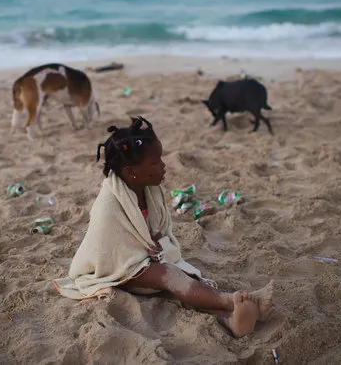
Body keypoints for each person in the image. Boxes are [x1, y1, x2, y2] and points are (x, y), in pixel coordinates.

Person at [53, 116, 274, 337]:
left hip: (144, 261)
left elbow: (153, 230)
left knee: (184, 285)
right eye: (156, 162)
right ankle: (233, 300)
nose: (164, 166)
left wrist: (155, 240)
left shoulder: (149, 190)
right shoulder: (108, 204)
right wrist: (145, 251)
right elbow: (108, 250)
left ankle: (230, 320)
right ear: (132, 172)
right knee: (169, 275)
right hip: (118, 270)